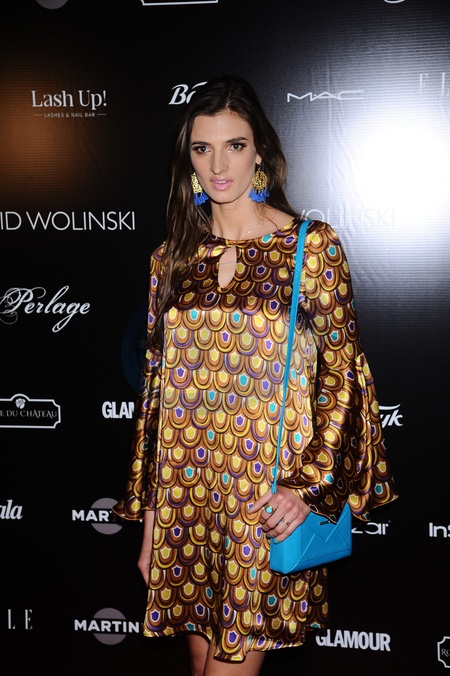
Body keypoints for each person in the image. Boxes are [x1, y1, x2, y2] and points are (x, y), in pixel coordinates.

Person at [113, 74, 398, 676]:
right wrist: (153, 526)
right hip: (188, 499)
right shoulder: (171, 258)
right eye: (202, 148)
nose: (219, 165)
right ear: (188, 158)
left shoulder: (309, 248)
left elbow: (343, 376)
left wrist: (308, 487)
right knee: (200, 662)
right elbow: (157, 393)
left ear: (260, 151)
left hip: (265, 500)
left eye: (235, 146)